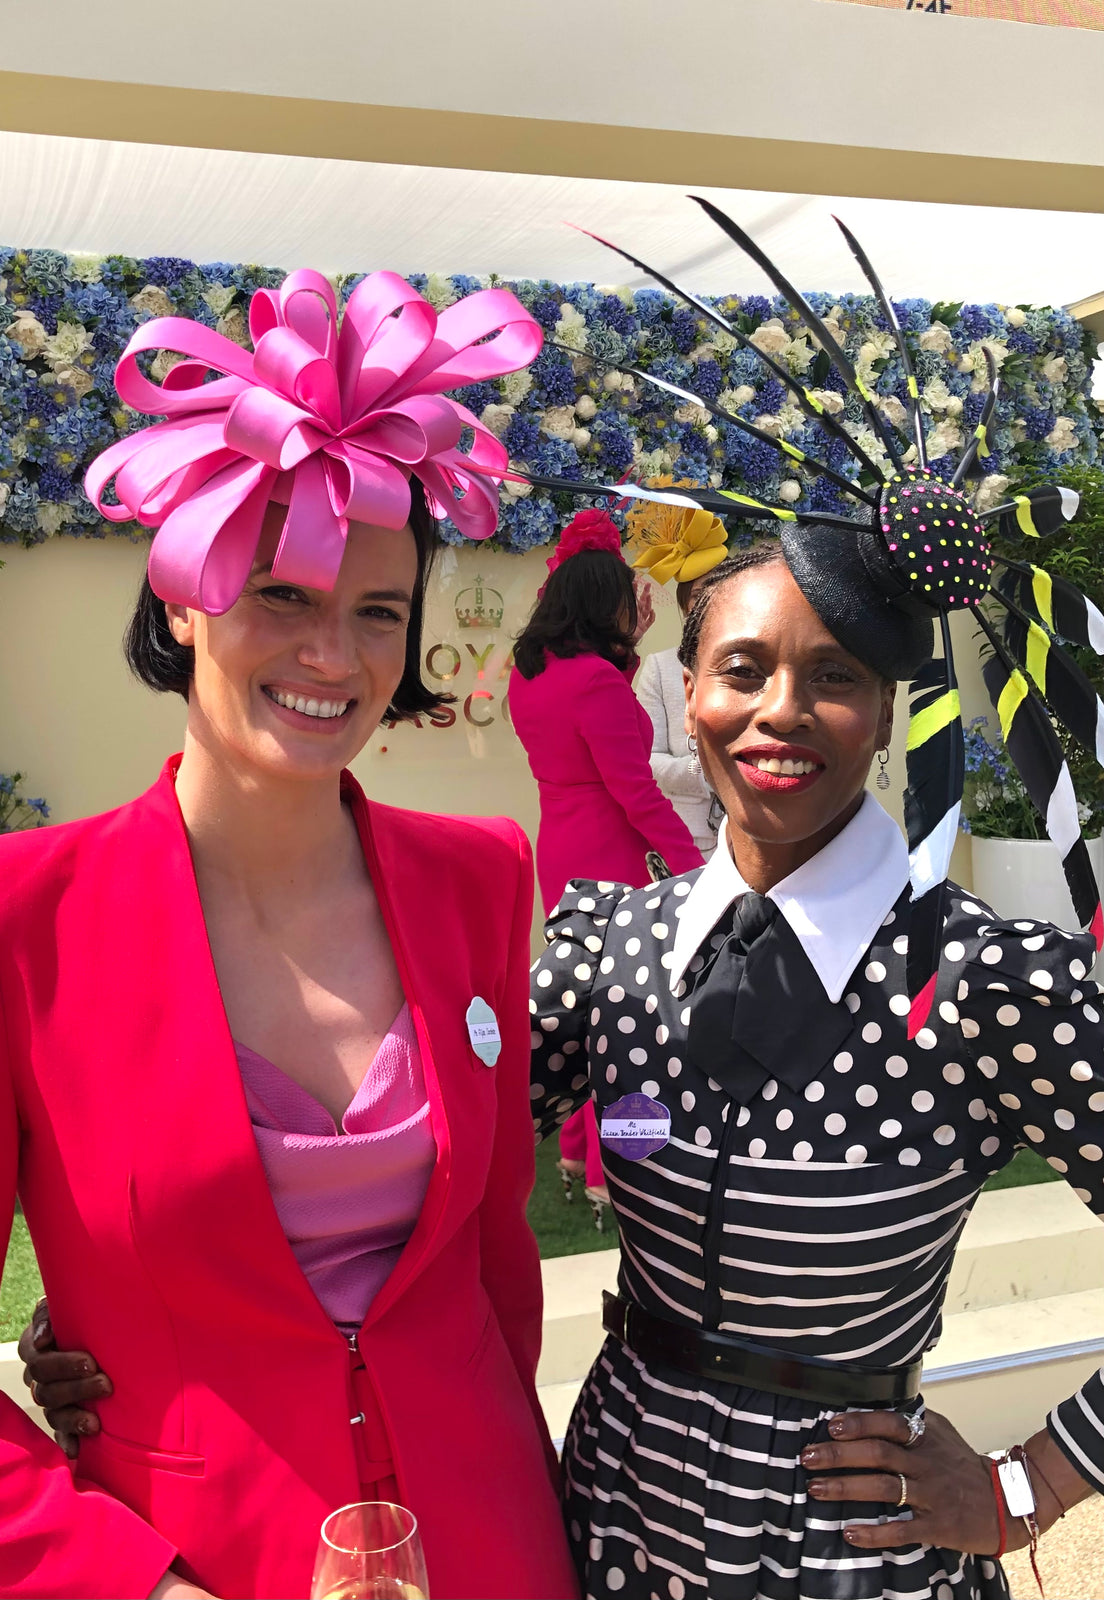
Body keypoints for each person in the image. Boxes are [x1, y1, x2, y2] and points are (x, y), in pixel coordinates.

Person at [0, 270, 578, 1600]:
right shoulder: (5, 917)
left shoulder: (483, 880)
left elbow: (496, 1263)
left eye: (378, 610)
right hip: (201, 1569)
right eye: (281, 594)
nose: (334, 655)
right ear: (179, 600)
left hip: (495, 1545)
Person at [512, 197, 1104, 1599]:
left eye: (833, 674)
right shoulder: (611, 953)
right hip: (618, 1530)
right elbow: (393, 1168)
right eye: (743, 670)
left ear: (887, 711)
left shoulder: (985, 984)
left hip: (859, 1559)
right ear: (690, 689)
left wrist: (1029, 1481)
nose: (781, 712)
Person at [508, 509, 703, 1223]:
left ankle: (571, 1150)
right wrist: (692, 873)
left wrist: (624, 649)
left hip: (560, 846)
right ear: (604, 605)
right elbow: (639, 796)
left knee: (580, 1002)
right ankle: (615, 1168)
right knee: (629, 1022)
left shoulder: (532, 673)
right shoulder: (595, 682)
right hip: (611, 854)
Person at [629, 497, 730, 859]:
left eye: (722, 594)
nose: (710, 606)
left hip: (754, 837)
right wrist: (709, 773)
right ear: (685, 605)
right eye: (701, 596)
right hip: (689, 841)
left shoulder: (758, 666)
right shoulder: (660, 667)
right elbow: (646, 759)